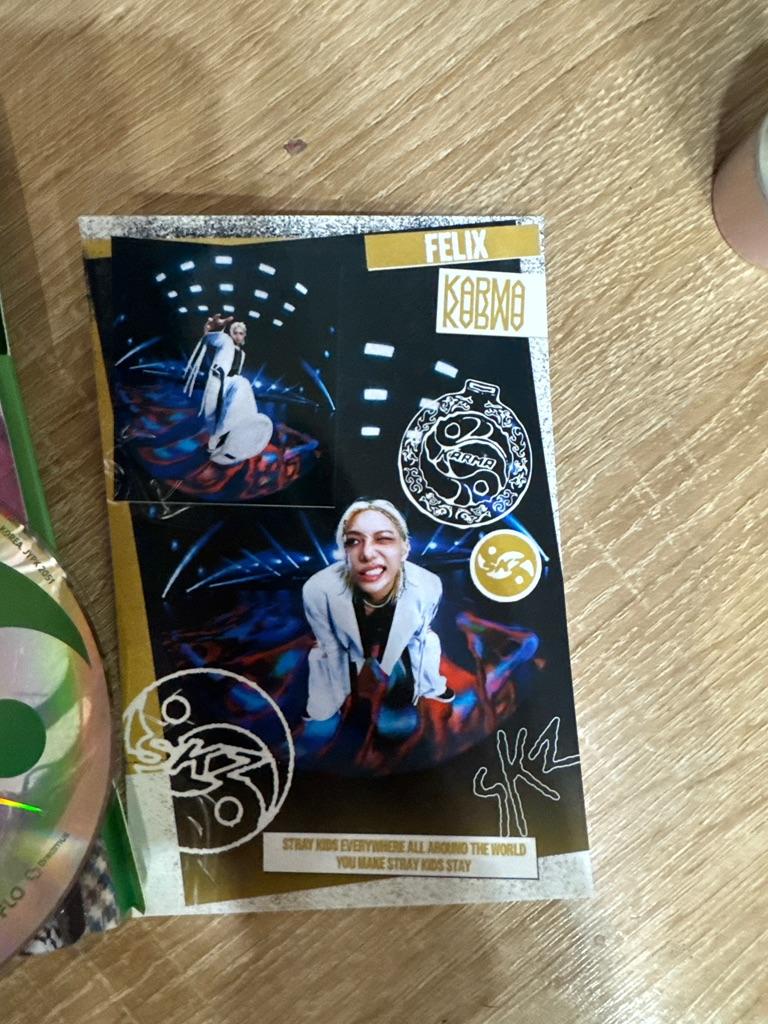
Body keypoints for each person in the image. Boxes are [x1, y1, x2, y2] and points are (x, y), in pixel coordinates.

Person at [302, 498, 454, 721]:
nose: (367, 553)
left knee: (428, 640)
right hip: (342, 648)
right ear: (344, 551)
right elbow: (330, 645)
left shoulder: (428, 585)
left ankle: (429, 686)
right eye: (353, 541)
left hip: (399, 639)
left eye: (383, 539)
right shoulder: (318, 589)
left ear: (404, 548)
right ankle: (326, 701)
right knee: (321, 652)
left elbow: (419, 637)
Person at [182, 314, 272, 464]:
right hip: (217, 380)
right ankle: (216, 439)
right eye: (235, 332)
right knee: (212, 412)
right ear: (231, 333)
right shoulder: (226, 341)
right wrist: (212, 330)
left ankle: (240, 428)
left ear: (244, 336)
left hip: (231, 382)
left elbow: (237, 371)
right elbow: (212, 339)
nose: (237, 336)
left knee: (241, 390)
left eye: (240, 333)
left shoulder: (242, 354)